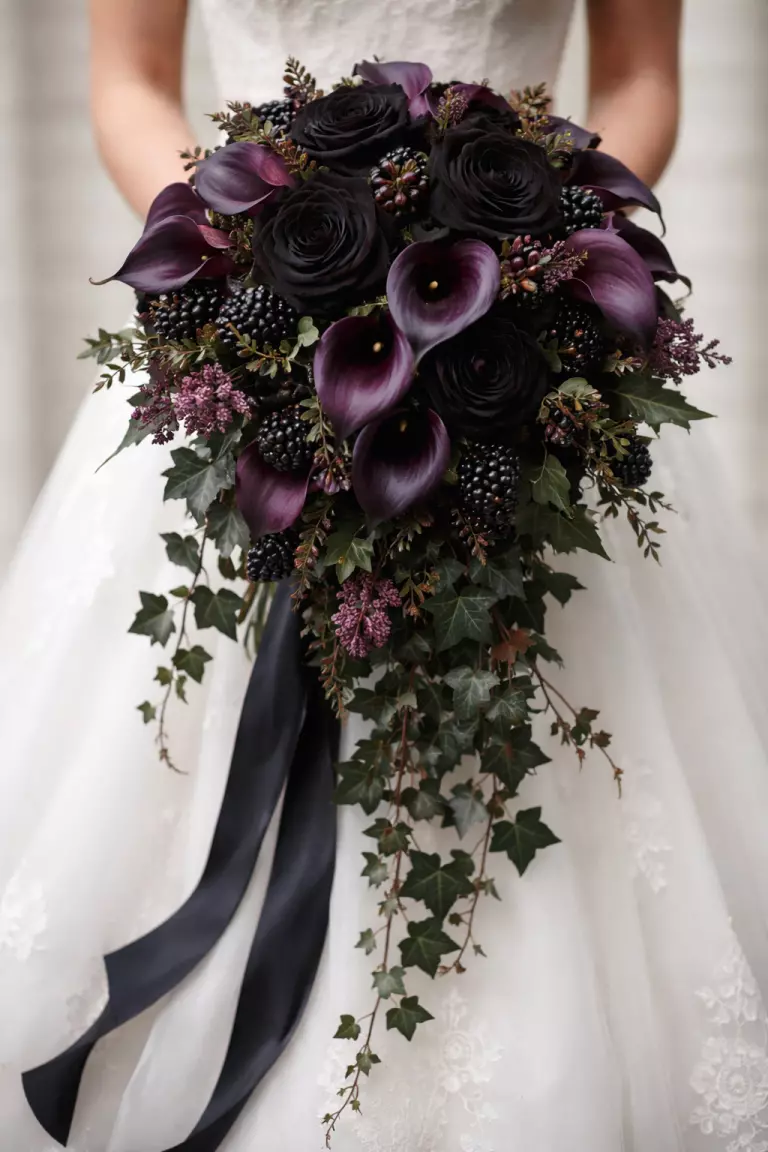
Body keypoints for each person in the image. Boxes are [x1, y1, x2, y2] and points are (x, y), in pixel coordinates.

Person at [0, 1, 766, 1149]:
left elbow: (642, 75)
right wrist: (253, 268)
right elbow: (132, 79)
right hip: (242, 344)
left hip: (523, 363)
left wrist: (537, 276)